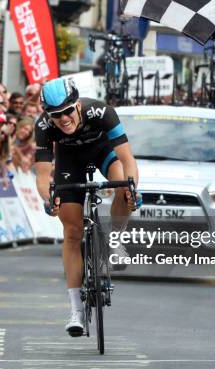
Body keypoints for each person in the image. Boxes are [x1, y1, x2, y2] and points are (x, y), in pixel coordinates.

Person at [33, 78, 138, 337]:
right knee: (72, 232)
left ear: (77, 105)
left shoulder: (101, 112)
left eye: (68, 111)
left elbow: (127, 158)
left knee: (124, 190)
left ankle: (115, 237)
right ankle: (76, 310)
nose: (63, 119)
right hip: (70, 162)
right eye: (56, 115)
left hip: (104, 153)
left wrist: (134, 188)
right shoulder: (44, 126)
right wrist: (49, 198)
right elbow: (43, 175)